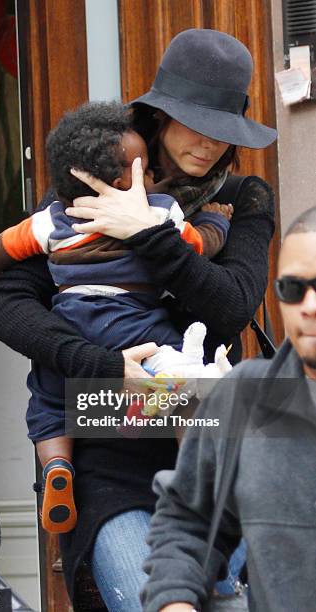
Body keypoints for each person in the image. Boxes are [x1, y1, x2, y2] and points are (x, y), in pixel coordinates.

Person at [0, 29, 277, 611]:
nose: (208, 142)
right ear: (159, 114)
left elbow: (233, 304)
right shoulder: (94, 178)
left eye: (223, 128)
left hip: (207, 454)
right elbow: (8, 308)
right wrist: (108, 368)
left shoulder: (241, 200)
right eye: (194, 121)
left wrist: (145, 229)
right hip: (106, 455)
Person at [0, 100, 232, 534]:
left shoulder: (52, 218)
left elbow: (5, 246)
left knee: (48, 398)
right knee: (181, 372)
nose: (150, 178)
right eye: (142, 171)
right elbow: (198, 244)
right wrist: (217, 222)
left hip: (72, 315)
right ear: (122, 181)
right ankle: (190, 471)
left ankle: (56, 466)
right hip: (134, 318)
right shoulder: (158, 210)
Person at [141, 206, 316, 612]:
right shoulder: (242, 397)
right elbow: (189, 519)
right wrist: (175, 601)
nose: (307, 305)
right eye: (293, 288)